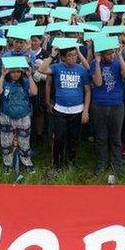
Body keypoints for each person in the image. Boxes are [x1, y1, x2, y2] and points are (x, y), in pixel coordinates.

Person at [38, 45, 90, 175]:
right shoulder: (57, 68)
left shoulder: (81, 70)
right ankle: (56, 164)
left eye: (75, 55)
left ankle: (71, 161)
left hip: (77, 110)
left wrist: (85, 110)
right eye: (70, 56)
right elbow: (41, 69)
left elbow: (87, 91)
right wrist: (52, 55)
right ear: (63, 58)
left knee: (73, 138)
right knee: (59, 138)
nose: (73, 58)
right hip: (60, 110)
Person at [90, 43, 125, 183]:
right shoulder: (94, 64)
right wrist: (97, 63)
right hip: (99, 104)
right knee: (101, 137)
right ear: (101, 54)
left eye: (113, 52)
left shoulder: (118, 61)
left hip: (116, 104)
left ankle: (117, 164)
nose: (111, 56)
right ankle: (102, 163)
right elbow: (98, 83)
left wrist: (120, 56)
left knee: (116, 137)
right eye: (108, 54)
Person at [0, 62, 37, 174]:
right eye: (13, 71)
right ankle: (7, 164)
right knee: (6, 142)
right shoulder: (5, 82)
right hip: (6, 116)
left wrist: (29, 76)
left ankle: (27, 163)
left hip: (24, 116)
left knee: (24, 142)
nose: (15, 74)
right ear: (9, 72)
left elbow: (34, 92)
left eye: (18, 71)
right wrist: (2, 76)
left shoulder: (26, 82)